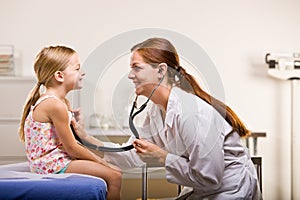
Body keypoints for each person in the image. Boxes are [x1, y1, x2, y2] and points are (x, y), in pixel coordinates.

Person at [102, 38, 262, 199]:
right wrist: (84, 140)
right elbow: (130, 155)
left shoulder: (191, 112)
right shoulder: (157, 110)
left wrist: (162, 157)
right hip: (204, 191)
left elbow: (209, 177)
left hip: (230, 191)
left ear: (161, 71)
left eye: (136, 68)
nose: (130, 75)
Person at [19, 45, 121, 200]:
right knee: (115, 176)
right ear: (59, 76)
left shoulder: (61, 102)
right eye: (77, 69)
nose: (83, 73)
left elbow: (67, 142)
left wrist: (80, 129)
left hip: (56, 160)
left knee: (112, 171)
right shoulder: (55, 105)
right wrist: (102, 162)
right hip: (51, 164)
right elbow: (71, 147)